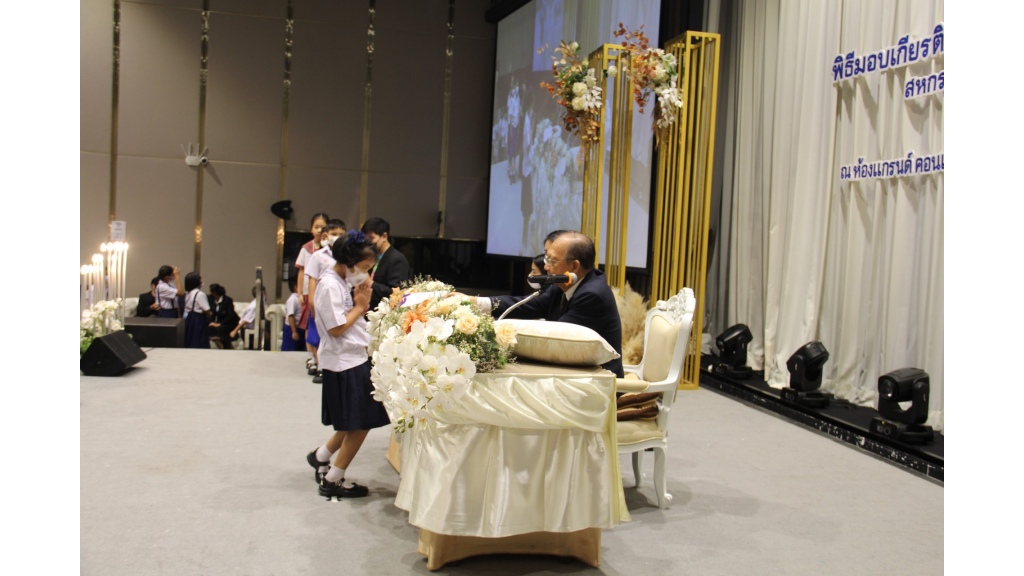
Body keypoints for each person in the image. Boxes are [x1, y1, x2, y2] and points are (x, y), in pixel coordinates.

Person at [304, 230, 390, 499]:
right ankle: (333, 479)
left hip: (352, 358)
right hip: (344, 362)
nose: (366, 274)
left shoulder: (340, 281)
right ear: (349, 263)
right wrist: (360, 306)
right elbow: (337, 328)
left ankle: (321, 456)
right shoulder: (330, 284)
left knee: (352, 420)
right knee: (361, 423)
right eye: (364, 268)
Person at [471, 231, 624, 377]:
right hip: (573, 370)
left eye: (552, 261)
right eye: (546, 259)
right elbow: (529, 305)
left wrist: (502, 332)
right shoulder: (563, 284)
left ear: (574, 266)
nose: (545, 267)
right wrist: (477, 303)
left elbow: (556, 339)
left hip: (599, 380)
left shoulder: (592, 296)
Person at [305, 219, 347, 383]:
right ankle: (320, 367)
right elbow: (312, 279)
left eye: (341, 234)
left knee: (336, 335)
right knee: (319, 336)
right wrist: (312, 302)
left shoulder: (347, 255)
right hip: (321, 301)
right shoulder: (318, 256)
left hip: (340, 301)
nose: (337, 237)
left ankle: (334, 366)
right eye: (334, 234)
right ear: (326, 236)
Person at [296, 213, 329, 374]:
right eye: (316, 227)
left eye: (322, 227)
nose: (319, 230)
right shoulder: (306, 248)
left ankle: (322, 358)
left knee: (323, 326)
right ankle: (311, 357)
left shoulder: (330, 249)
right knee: (309, 326)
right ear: (311, 229)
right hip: (308, 292)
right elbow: (302, 271)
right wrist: (299, 292)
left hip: (324, 292)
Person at [361, 217, 411, 312]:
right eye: (365, 239)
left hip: (384, 312)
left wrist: (371, 283)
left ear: (384, 236)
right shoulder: (372, 256)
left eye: (371, 238)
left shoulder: (397, 260)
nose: (368, 243)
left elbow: (396, 293)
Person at [182, 272, 212, 349]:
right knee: (199, 340)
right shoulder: (200, 294)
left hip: (189, 318)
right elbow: (207, 310)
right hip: (198, 319)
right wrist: (209, 314)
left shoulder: (188, 293)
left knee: (190, 340)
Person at [208, 283, 239, 349]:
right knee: (210, 329)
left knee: (221, 329)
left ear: (214, 292)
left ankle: (227, 348)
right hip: (219, 322)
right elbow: (212, 313)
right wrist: (212, 322)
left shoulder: (227, 300)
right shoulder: (211, 300)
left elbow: (231, 315)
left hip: (229, 322)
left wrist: (220, 324)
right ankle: (222, 347)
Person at [282, 276, 304, 352]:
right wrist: (294, 332)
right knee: (290, 351)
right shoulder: (293, 299)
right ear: (295, 287)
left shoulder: (300, 298)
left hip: (300, 328)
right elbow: (290, 316)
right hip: (292, 328)